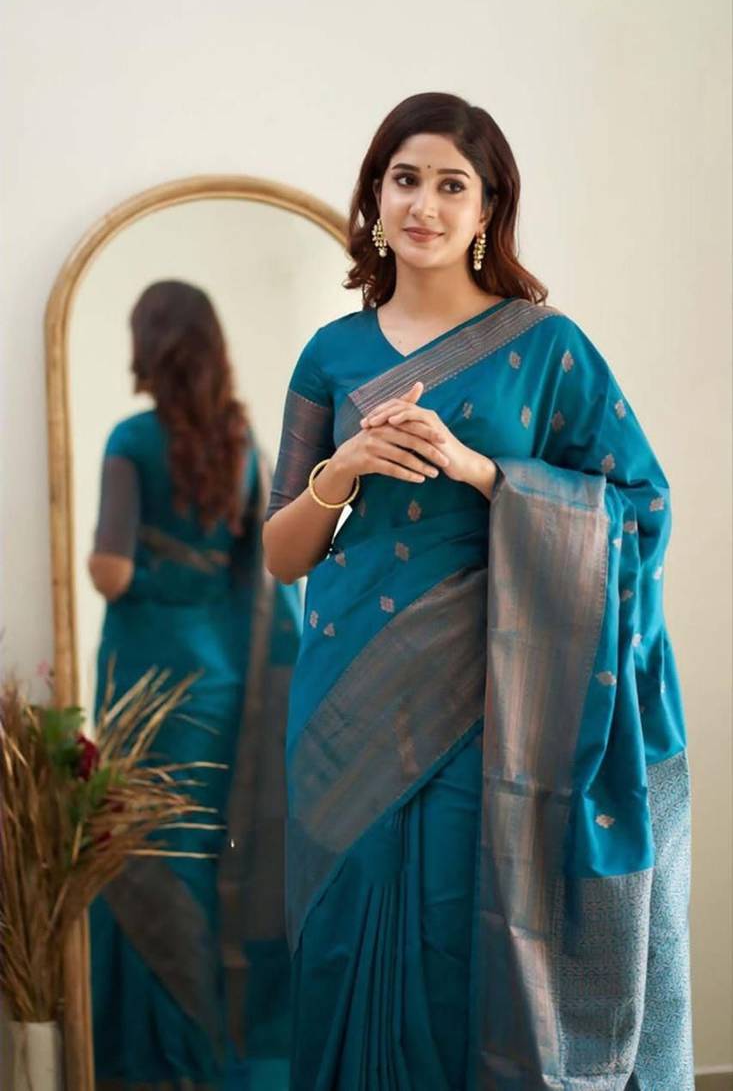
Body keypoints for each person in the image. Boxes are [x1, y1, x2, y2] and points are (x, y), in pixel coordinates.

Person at [263, 93, 694, 1090]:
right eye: (404, 179)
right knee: (342, 926)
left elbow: (641, 511)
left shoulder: (546, 347)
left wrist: (481, 470)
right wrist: (343, 468)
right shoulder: (330, 354)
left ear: (487, 208)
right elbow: (283, 554)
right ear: (374, 196)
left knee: (460, 927)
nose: (424, 204)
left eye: (451, 185)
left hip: (491, 700)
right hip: (344, 692)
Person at [88, 279, 300, 1090]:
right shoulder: (242, 445)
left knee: (143, 858)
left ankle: (159, 1062)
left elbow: (110, 572)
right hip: (222, 683)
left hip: (150, 681)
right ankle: (219, 1052)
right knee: (207, 860)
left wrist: (143, 565)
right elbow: (261, 572)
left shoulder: (131, 439)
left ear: (149, 347)